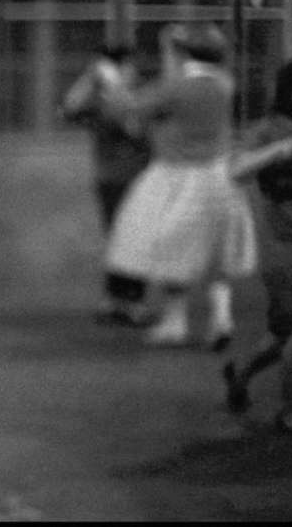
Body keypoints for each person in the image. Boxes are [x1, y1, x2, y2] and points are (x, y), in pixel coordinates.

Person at [101, 23, 257, 348]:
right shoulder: (223, 83)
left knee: (171, 248)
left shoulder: (177, 86)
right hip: (218, 174)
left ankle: (175, 321)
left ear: (184, 53)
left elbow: (128, 108)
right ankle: (221, 320)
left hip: (178, 175)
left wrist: (113, 82)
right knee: (216, 250)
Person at [223, 58, 292, 433]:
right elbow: (235, 170)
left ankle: (241, 374)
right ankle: (291, 412)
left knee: (285, 331)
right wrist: (281, 150)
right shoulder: (270, 129)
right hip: (282, 246)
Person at [59, 44, 153, 326]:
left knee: (138, 238)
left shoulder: (140, 96)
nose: (132, 71)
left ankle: (134, 300)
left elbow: (134, 126)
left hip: (139, 178)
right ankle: (116, 300)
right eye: (127, 66)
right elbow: (69, 109)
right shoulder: (101, 99)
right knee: (117, 239)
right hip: (109, 178)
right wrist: (91, 78)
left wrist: (115, 86)